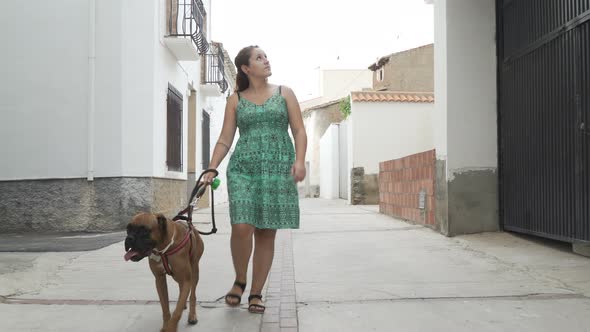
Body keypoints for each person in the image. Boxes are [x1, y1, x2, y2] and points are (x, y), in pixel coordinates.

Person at [201, 45, 307, 314]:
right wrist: (212, 167)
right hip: (244, 168)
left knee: (265, 231)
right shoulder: (236, 99)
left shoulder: (285, 93)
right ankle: (240, 279)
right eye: (259, 58)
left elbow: (299, 130)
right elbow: (226, 138)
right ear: (246, 69)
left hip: (276, 169)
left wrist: (299, 161)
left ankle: (256, 292)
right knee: (241, 226)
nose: (266, 60)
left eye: (266, 56)